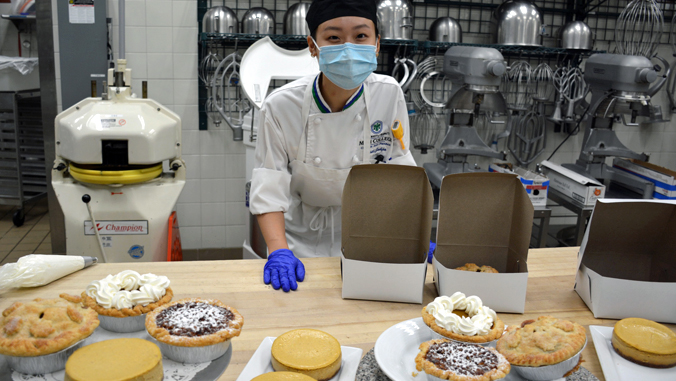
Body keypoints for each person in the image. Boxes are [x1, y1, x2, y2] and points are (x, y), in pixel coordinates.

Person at [249, 0, 416, 292]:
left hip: (367, 234)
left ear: (377, 44)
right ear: (313, 46)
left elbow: (399, 175)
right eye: (334, 37)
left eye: (361, 36)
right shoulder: (281, 106)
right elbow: (270, 184)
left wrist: (412, 234)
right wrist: (278, 251)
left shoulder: (389, 95)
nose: (349, 48)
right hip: (297, 238)